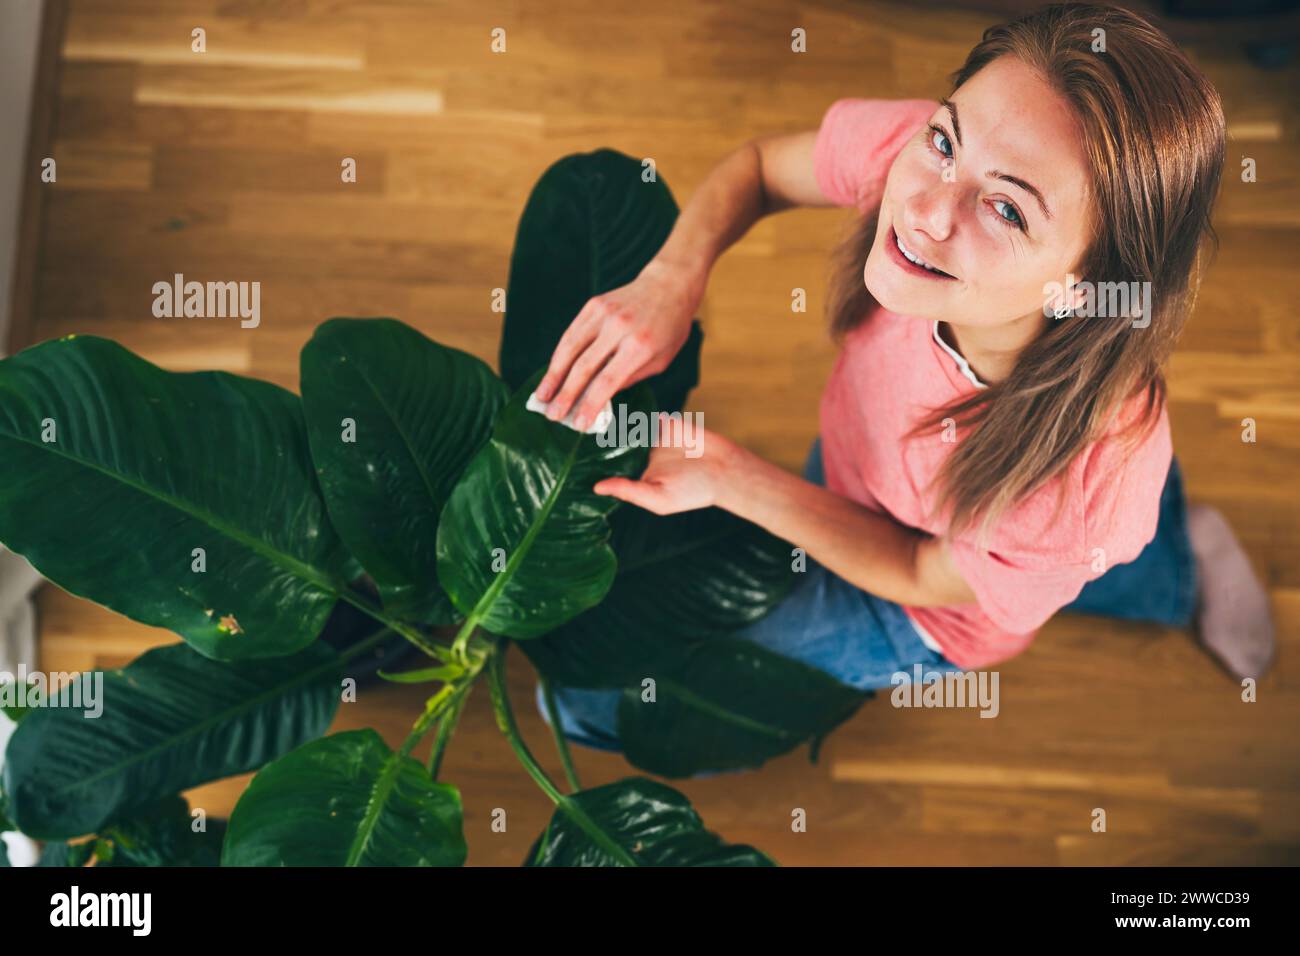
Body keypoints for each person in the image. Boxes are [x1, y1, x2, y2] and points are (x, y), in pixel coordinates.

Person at [498, 2, 1276, 762]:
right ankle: (1150, 547)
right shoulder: (942, 159)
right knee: (1035, 554)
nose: (924, 208)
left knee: (623, 690)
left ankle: (1182, 561)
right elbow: (763, 168)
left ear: (1083, 285)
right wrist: (673, 277)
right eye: (943, 139)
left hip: (917, 604)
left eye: (1006, 210)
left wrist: (733, 476)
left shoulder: (1076, 496)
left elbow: (914, 571)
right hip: (880, 475)